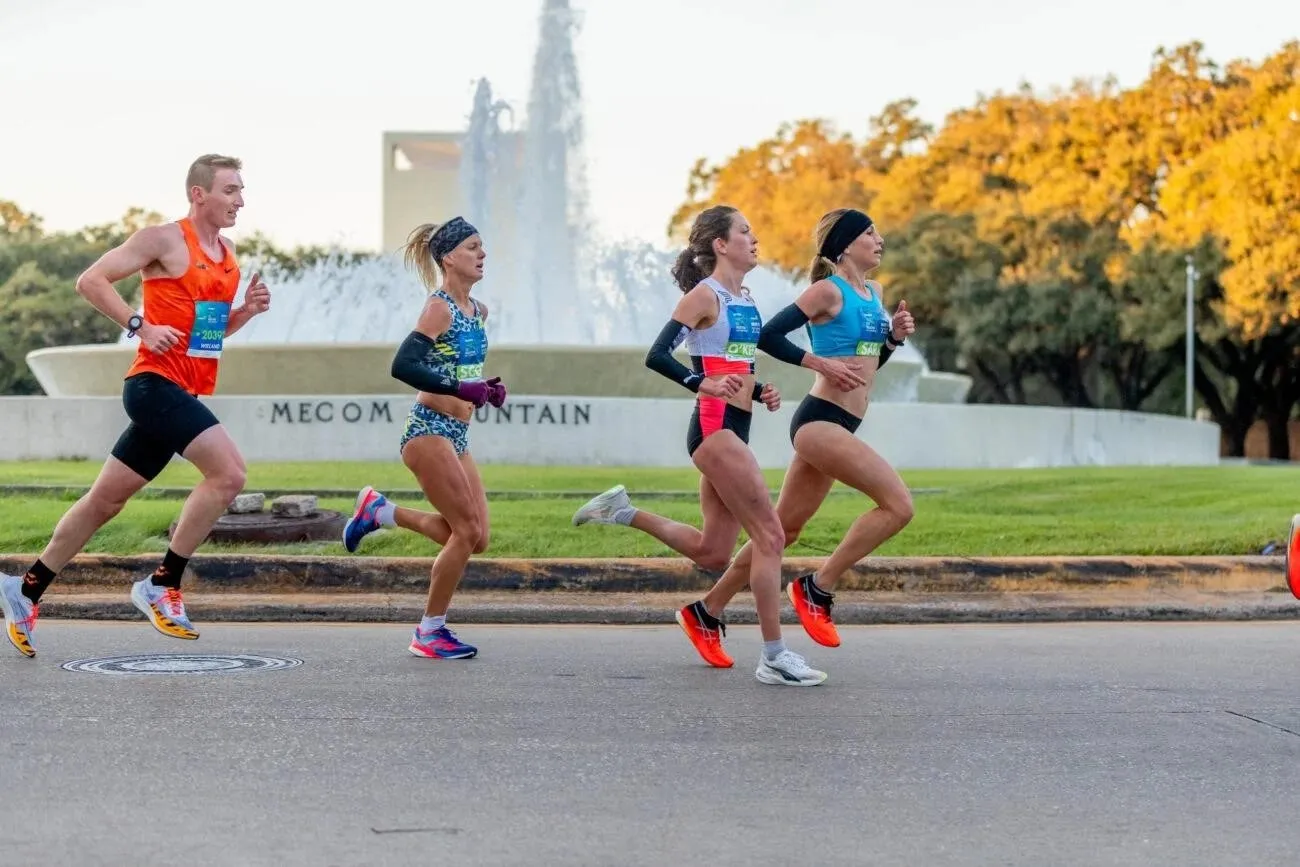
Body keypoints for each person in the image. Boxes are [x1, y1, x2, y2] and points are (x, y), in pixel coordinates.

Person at [0, 154, 271, 658]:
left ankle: (26, 588)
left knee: (105, 502)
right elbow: (91, 281)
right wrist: (138, 324)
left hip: (181, 390)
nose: (240, 200)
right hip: (152, 385)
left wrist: (244, 315)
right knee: (229, 474)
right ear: (198, 194)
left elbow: (203, 338)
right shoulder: (164, 239)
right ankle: (162, 584)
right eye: (230, 190)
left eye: (241, 190)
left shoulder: (228, 253)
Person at [578, 205, 843, 685]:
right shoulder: (705, 296)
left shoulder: (744, 298)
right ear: (721, 245)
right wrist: (698, 383)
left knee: (713, 552)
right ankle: (774, 655)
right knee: (771, 537)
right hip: (713, 430)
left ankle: (621, 511)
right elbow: (658, 355)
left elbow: (736, 365)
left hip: (734, 425)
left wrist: (759, 391)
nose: (754, 238)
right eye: (745, 231)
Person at [676, 207, 916, 666]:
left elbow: (865, 370)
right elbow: (768, 335)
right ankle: (816, 587)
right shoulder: (826, 290)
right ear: (845, 245)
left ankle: (707, 611)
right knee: (899, 506)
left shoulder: (875, 293)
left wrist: (892, 341)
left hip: (846, 420)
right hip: (819, 422)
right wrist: (818, 363)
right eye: (870, 233)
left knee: (782, 531)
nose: (879, 239)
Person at [340, 217, 507, 660]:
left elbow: (456, 368)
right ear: (450, 257)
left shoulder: (478, 311)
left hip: (458, 433)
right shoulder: (439, 308)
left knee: (477, 537)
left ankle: (379, 511)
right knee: (466, 531)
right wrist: (459, 389)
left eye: (482, 246)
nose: (483, 254)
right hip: (428, 430)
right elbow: (404, 365)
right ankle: (429, 631)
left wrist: (484, 387)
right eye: (474, 247)